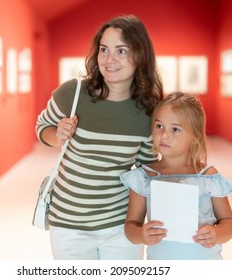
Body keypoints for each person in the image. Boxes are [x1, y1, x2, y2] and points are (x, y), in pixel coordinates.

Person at [35, 15, 163, 260]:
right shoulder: (73, 93)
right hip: (68, 225)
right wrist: (58, 135)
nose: (109, 59)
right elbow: (42, 128)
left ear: (140, 56)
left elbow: (146, 170)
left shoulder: (148, 111)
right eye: (104, 49)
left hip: (120, 225)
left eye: (121, 51)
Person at [120, 92, 232, 260]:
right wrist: (141, 234)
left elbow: (229, 223)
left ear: (195, 136)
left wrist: (217, 233)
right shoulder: (144, 177)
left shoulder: (208, 177)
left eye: (175, 129)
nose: (164, 135)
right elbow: (131, 226)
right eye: (159, 126)